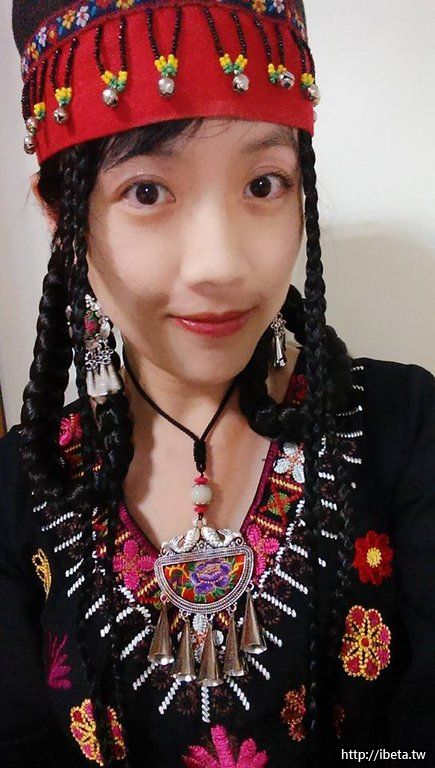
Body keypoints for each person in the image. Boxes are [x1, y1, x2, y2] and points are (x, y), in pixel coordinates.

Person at [1, 1, 434, 766]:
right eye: (146, 191)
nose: (221, 265)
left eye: (263, 184)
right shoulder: (18, 485)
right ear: (63, 215)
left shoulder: (404, 426)